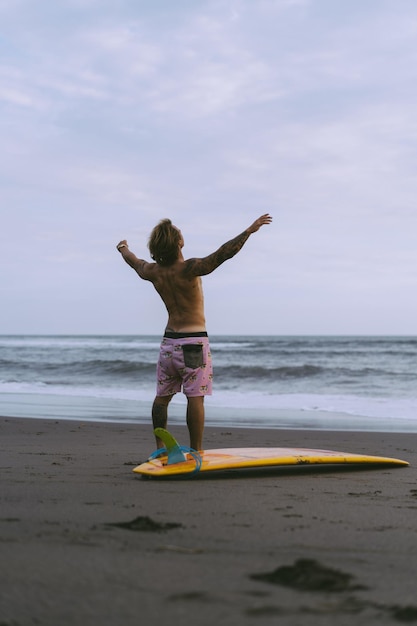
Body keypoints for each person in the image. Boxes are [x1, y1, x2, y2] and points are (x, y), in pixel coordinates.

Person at [116, 213, 272, 451]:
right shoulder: (189, 268)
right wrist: (248, 231)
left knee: (162, 397)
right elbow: (222, 254)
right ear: (179, 242)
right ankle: (197, 450)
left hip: (169, 344)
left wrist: (123, 247)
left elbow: (134, 261)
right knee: (195, 398)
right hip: (193, 344)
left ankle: (159, 447)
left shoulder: (153, 271)